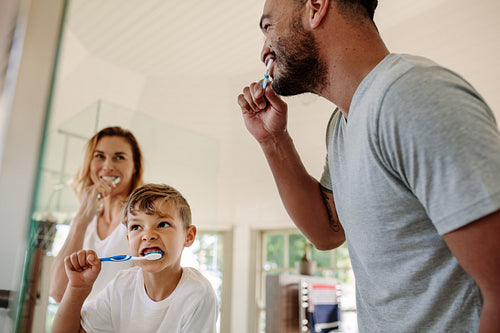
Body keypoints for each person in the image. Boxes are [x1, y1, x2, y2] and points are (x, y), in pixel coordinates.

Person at [237, 0, 500, 332]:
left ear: (316, 7)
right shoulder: (342, 124)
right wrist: (272, 141)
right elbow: (328, 231)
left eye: (268, 27)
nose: (264, 51)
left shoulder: (411, 97)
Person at [51, 183, 218, 333]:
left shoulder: (197, 294)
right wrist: (77, 288)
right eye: (136, 226)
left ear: (188, 236)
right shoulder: (121, 286)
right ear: (129, 239)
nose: (148, 235)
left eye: (163, 224)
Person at [50, 126, 144, 303]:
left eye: (119, 157)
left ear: (134, 167)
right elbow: (57, 292)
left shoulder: (141, 220)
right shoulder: (85, 221)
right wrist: (82, 219)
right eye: (99, 156)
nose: (108, 166)